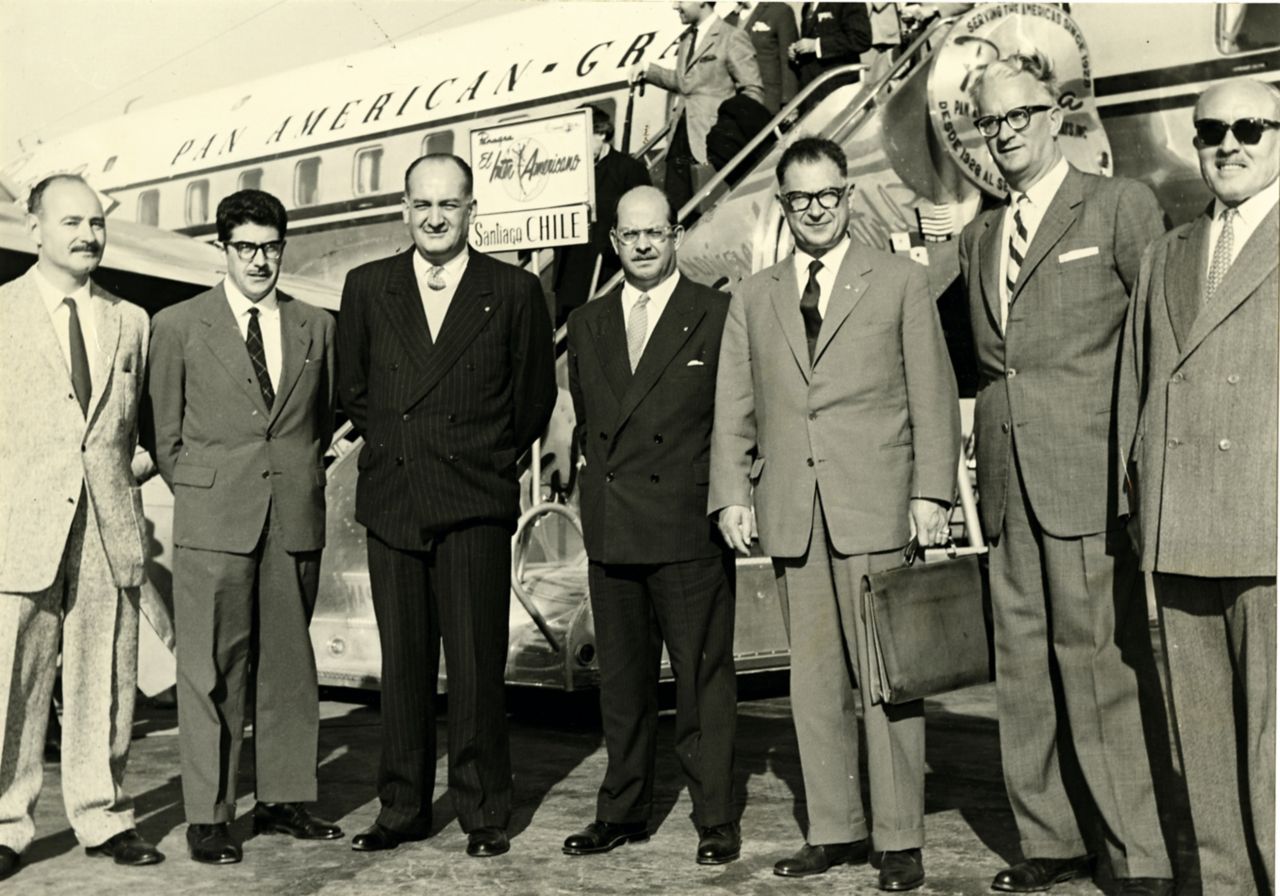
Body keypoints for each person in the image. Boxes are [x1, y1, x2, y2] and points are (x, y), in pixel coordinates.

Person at [709, 137, 959, 892]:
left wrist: (932, 494)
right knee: (812, 684)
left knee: (887, 680)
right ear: (781, 205)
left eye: (827, 195)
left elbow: (933, 394)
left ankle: (898, 838)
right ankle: (835, 829)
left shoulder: (900, 281)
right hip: (793, 512)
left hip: (878, 506)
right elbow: (735, 407)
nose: (814, 209)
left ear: (848, 196)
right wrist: (730, 493)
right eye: (798, 198)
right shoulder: (754, 295)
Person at [956, 53, 1172, 896]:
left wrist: (1142, 471)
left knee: (1102, 671)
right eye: (991, 122)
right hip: (1009, 484)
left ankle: (1141, 858)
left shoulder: (1119, 206)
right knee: (1023, 669)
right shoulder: (981, 233)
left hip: (1088, 478)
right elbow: (991, 367)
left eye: (1018, 116)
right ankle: (1050, 840)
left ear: (1056, 115)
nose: (1005, 133)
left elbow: (1156, 347)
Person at [336, 154, 556, 859]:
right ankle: (401, 806)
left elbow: (532, 400)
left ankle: (484, 809)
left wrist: (485, 459)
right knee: (401, 667)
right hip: (395, 498)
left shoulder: (513, 290)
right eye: (422, 204)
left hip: (472, 501)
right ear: (405, 209)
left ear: (471, 212)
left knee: (473, 664)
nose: (435, 217)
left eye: (450, 205)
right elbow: (355, 391)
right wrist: (405, 442)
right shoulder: (368, 287)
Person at [147, 189, 341, 864]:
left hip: (292, 516)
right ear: (222, 250)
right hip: (213, 519)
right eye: (246, 247)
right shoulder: (176, 325)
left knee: (289, 668)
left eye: (271, 246)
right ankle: (210, 814)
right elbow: (163, 434)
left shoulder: (315, 324)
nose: (260, 260)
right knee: (211, 670)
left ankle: (285, 798)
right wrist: (207, 491)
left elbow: (325, 419)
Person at [1120, 78, 1279, 896]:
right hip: (1181, 526)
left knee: (1274, 754)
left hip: (1268, 528)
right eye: (1211, 130)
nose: (1229, 143)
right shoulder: (1169, 252)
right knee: (1206, 746)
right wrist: (1138, 497)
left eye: (1250, 126)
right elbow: (1137, 387)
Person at [563, 186, 738, 866]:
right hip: (613, 531)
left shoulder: (716, 312)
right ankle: (623, 810)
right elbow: (587, 421)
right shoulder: (587, 322)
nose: (642, 245)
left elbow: (733, 422)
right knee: (623, 686)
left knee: (702, 684)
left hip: (687, 528)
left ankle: (716, 818)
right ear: (613, 241)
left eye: (655, 234)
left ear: (675, 236)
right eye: (630, 235)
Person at [0, 174, 163, 880]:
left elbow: (136, 429)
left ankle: (104, 816)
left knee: (104, 672)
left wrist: (127, 485)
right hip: (22, 523)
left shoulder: (132, 319)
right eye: (70, 222)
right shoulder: (1, 312)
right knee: (16, 678)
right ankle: (7, 822)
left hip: (106, 527)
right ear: (33, 228)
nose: (87, 235)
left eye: (96, 223)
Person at [632, 1, 764, 215]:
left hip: (713, 143)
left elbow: (753, 91)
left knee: (713, 214)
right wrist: (648, 71)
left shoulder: (731, 37)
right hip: (680, 139)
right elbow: (686, 84)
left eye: (681, 0)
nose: (675, 6)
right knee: (677, 212)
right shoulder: (686, 39)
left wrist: (727, 132)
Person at [553, 105, 650, 326]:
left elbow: (645, 216)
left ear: (602, 134)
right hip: (569, 277)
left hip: (607, 271)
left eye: (581, 135)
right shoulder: (565, 171)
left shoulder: (628, 169)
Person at [726, 1, 799, 115]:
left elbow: (788, 61)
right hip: (735, 102)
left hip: (769, 102)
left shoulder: (779, 11)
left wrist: (790, 103)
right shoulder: (729, 19)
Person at [790, 2, 872, 102]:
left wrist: (817, 45)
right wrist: (797, 52)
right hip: (811, 89)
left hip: (838, 89)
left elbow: (861, 39)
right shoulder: (808, 6)